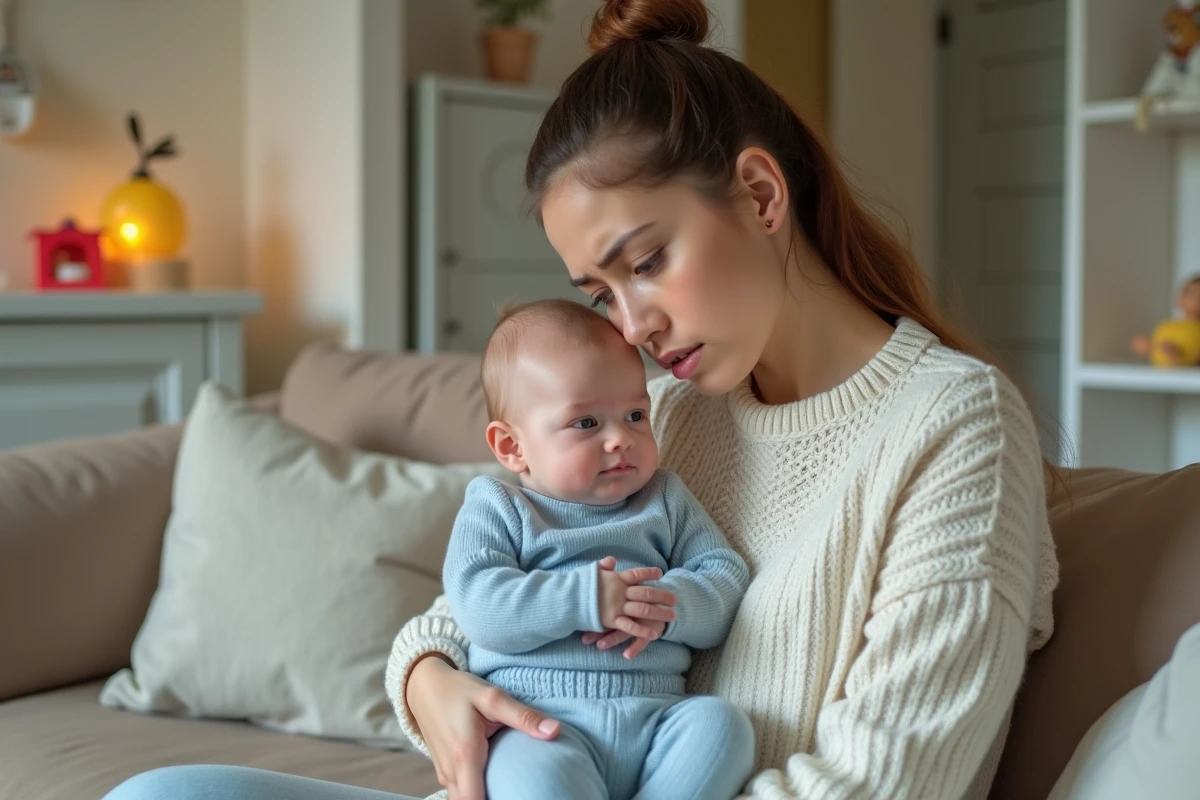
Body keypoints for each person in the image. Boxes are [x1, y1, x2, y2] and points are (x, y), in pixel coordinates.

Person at [103, 0, 1058, 798]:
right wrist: (430, 681)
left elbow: (882, 779)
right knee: (158, 794)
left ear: (763, 196)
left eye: (647, 262)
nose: (632, 326)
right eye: (602, 292)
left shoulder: (953, 425)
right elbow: (466, 605)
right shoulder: (666, 409)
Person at [445, 298, 753, 800]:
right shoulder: (497, 507)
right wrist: (585, 598)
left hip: (657, 720)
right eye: (586, 423)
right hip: (542, 727)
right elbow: (479, 606)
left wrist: (668, 603)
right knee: (535, 782)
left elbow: (724, 576)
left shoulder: (665, 498)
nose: (621, 440)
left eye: (635, 415)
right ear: (511, 447)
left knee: (724, 726)